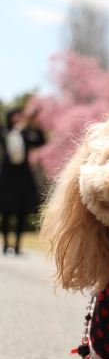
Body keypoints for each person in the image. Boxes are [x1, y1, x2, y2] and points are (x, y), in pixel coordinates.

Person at [0, 107, 45, 255]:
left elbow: (40, 141)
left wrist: (36, 125)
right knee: (6, 211)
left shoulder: (25, 133)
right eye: (16, 115)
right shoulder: (5, 132)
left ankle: (17, 246)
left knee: (21, 212)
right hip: (7, 176)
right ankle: (6, 245)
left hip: (23, 177)